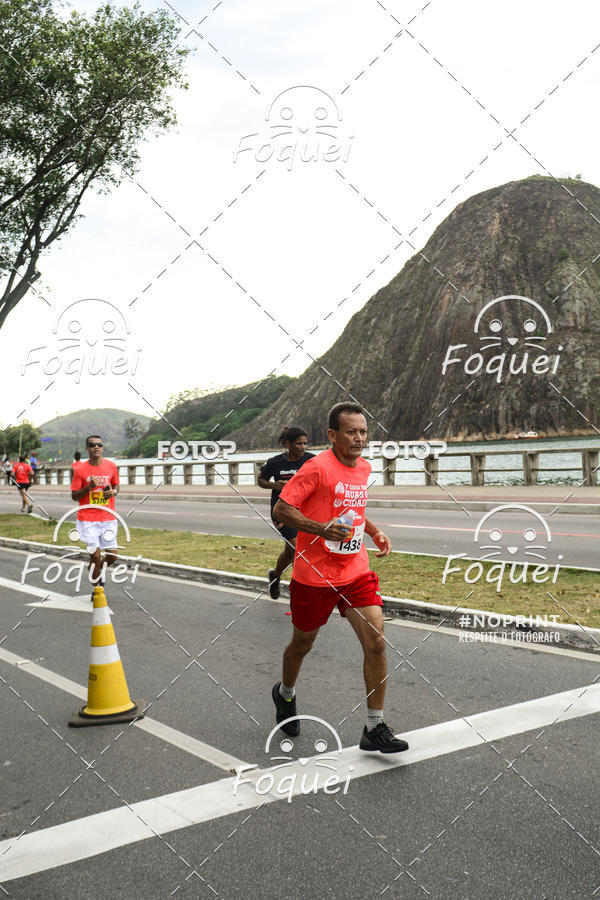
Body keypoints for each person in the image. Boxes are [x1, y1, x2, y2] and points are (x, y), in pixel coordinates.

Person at [271, 402, 409, 754]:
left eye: (363, 431)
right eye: (351, 431)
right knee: (302, 644)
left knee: (376, 642)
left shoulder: (363, 467)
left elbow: (355, 509)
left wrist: (374, 531)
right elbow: (282, 509)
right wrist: (321, 530)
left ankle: (374, 727)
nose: (359, 438)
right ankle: (285, 692)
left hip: (355, 572)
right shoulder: (316, 468)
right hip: (314, 576)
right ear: (333, 435)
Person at [258, 427, 315, 599]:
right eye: (299, 443)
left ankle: (275, 576)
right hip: (281, 511)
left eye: (305, 443)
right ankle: (302, 590)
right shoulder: (275, 463)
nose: (303, 447)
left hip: (304, 510)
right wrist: (276, 485)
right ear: (288, 444)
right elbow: (261, 480)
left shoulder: (311, 460)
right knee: (299, 547)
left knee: (291, 551)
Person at [71, 435, 120, 600]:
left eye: (99, 444)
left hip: (108, 517)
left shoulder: (111, 466)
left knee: (113, 556)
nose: (96, 447)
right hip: (88, 518)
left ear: (102, 447)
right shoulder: (80, 470)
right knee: (95, 555)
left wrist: (114, 492)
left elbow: (116, 485)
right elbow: (74, 496)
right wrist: (89, 488)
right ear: (87, 448)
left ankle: (95, 568)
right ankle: (97, 588)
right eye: (92, 445)